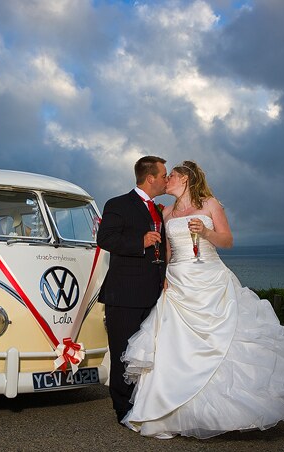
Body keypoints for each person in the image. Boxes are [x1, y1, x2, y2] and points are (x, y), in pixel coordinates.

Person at [121, 160, 284, 439]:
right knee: (174, 344)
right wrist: (166, 276)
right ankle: (172, 413)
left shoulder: (210, 205)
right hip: (179, 283)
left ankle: (225, 413)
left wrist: (205, 232)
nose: (166, 179)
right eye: (166, 175)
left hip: (211, 279)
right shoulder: (166, 212)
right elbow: (168, 250)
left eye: (172, 176)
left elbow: (228, 240)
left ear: (186, 180)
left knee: (223, 341)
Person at [97, 155, 168, 424]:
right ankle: (123, 410)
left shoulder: (160, 210)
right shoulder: (118, 204)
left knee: (148, 353)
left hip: (155, 294)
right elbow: (105, 238)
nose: (166, 180)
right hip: (124, 293)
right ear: (150, 178)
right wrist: (140, 241)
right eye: (163, 175)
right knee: (123, 352)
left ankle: (145, 403)